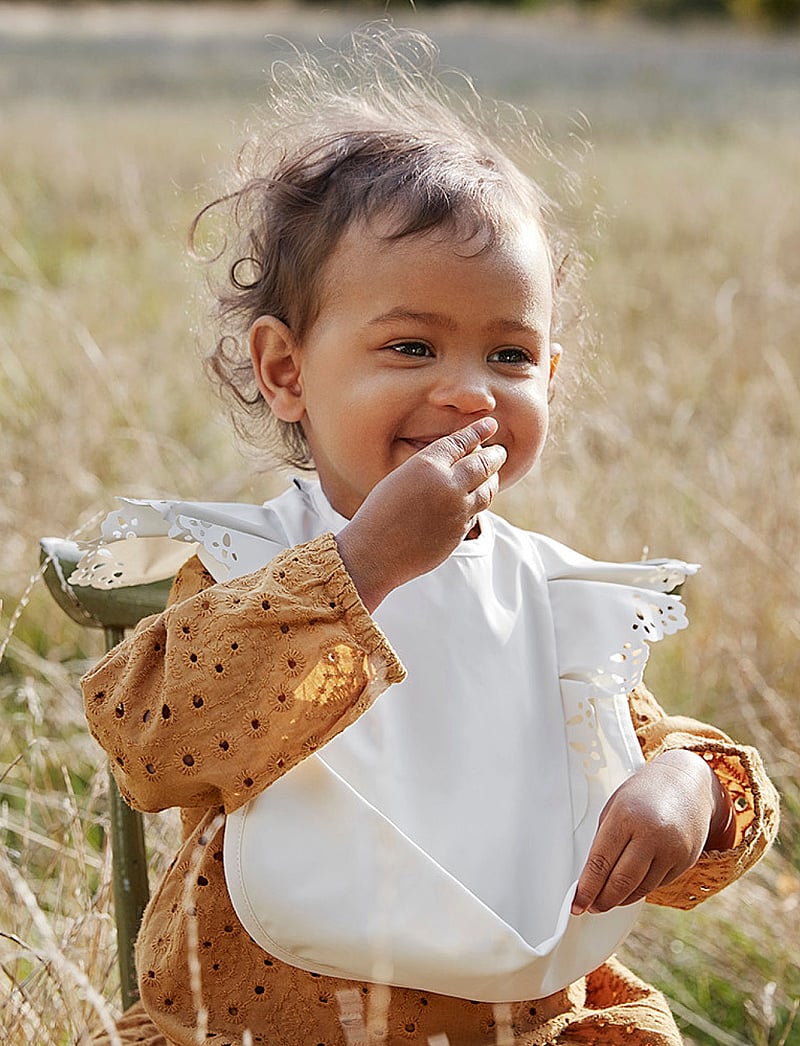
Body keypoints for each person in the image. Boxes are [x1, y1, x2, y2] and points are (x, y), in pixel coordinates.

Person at [76, 25, 778, 1046]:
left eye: (509, 352)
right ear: (286, 371)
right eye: (409, 344)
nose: (466, 391)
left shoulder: (549, 592)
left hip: (522, 1018)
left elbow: (632, 739)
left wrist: (684, 786)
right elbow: (150, 735)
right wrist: (363, 570)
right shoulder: (250, 567)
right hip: (261, 1024)